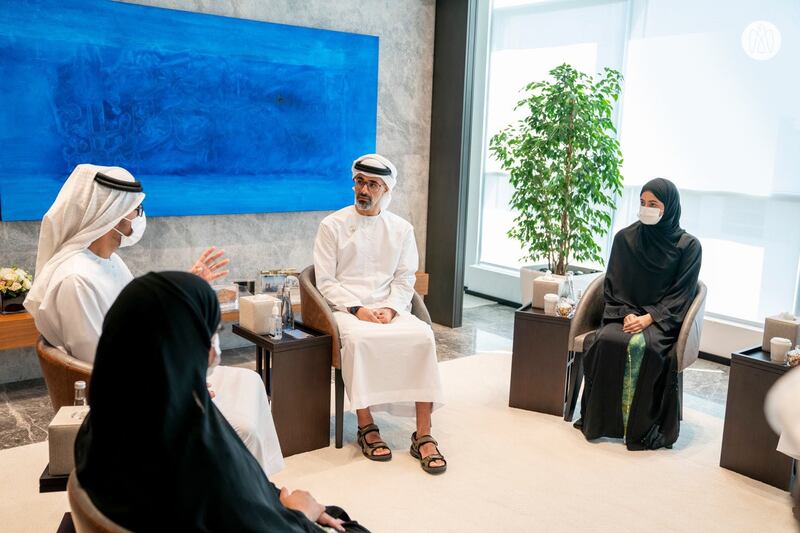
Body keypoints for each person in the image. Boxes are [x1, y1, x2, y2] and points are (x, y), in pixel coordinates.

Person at [25, 164, 284, 475]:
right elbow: (104, 368)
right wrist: (177, 383)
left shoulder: (108, 262)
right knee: (245, 427)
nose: (140, 217)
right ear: (115, 214)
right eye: (137, 209)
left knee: (251, 381)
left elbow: (138, 320)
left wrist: (187, 284)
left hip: (145, 373)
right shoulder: (76, 281)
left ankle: (256, 493)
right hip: (133, 405)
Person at [74, 272, 369, 532]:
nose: (216, 347)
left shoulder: (102, 424)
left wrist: (273, 496)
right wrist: (301, 513)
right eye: (212, 332)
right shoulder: (201, 465)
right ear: (187, 347)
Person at [313, 153, 446, 474]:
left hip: (390, 307)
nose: (364, 190)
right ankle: (366, 426)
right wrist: (358, 309)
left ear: (386, 191)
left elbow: (405, 279)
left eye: (373, 184)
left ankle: (424, 433)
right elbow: (325, 282)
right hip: (346, 310)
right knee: (360, 342)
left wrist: (389, 308)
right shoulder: (331, 225)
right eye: (360, 181)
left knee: (422, 336)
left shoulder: (401, 229)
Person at [574, 178, 702, 450]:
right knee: (607, 340)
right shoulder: (625, 239)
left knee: (653, 350)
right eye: (642, 203)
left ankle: (640, 426)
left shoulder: (688, 247)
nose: (646, 209)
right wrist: (627, 315)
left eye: (653, 204)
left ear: (668, 208)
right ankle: (602, 422)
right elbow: (614, 286)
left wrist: (650, 317)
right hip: (623, 314)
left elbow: (682, 294)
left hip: (662, 321)